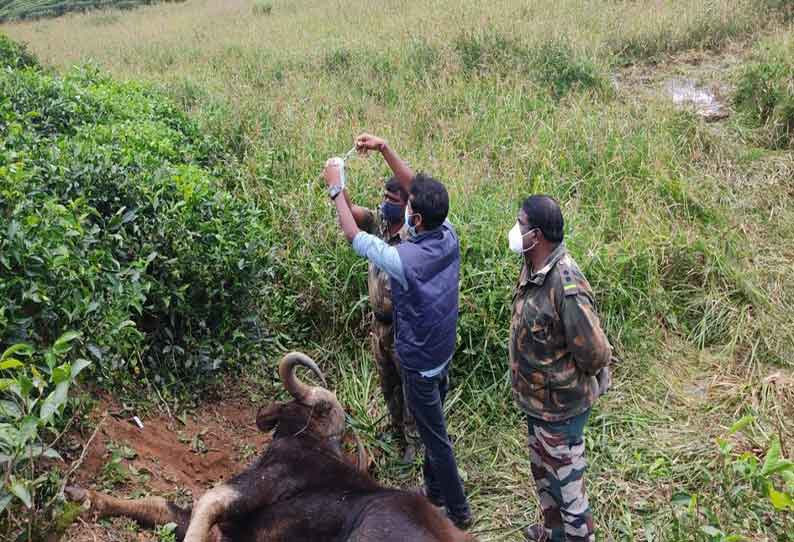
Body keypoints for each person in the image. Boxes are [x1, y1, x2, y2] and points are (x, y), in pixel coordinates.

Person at [322, 133, 472, 529]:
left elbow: (355, 238)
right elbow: (414, 187)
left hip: (419, 362)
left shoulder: (406, 260)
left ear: (415, 219)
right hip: (441, 351)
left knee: (436, 439)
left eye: (408, 207)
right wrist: (385, 149)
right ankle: (435, 493)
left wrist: (336, 187)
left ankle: (457, 512)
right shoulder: (448, 235)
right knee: (432, 426)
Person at [508, 195, 612, 542]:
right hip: (537, 405)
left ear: (536, 235)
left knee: (570, 493)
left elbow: (595, 353)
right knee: (544, 479)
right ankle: (554, 535)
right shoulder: (533, 265)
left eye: (520, 224)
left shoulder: (566, 285)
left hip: (561, 411)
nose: (515, 229)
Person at [341, 175, 421, 464]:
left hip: (403, 326)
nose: (386, 203)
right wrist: (337, 184)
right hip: (380, 325)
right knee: (387, 380)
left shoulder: (414, 238)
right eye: (384, 197)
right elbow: (350, 212)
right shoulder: (379, 225)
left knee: (409, 386)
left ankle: (413, 442)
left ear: (407, 204)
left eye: (393, 200)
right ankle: (396, 428)